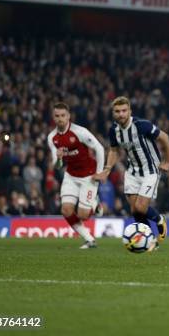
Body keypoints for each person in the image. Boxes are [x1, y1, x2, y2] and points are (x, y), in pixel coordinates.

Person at [93, 96, 169, 248]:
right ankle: (150, 241)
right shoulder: (113, 130)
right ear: (113, 113)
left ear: (130, 111)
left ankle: (159, 219)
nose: (121, 114)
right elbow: (114, 150)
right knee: (135, 211)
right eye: (117, 111)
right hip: (132, 171)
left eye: (124, 111)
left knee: (141, 207)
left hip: (150, 170)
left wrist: (167, 161)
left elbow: (165, 138)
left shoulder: (142, 125)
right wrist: (107, 170)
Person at [47, 102, 104, 249]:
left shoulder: (79, 132)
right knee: (66, 210)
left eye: (63, 116)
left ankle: (95, 204)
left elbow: (99, 148)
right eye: (57, 116)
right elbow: (57, 165)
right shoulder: (52, 137)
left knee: (83, 215)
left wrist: (100, 172)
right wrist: (59, 158)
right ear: (53, 117)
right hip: (71, 175)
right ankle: (89, 239)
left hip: (89, 175)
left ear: (68, 116)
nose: (60, 119)